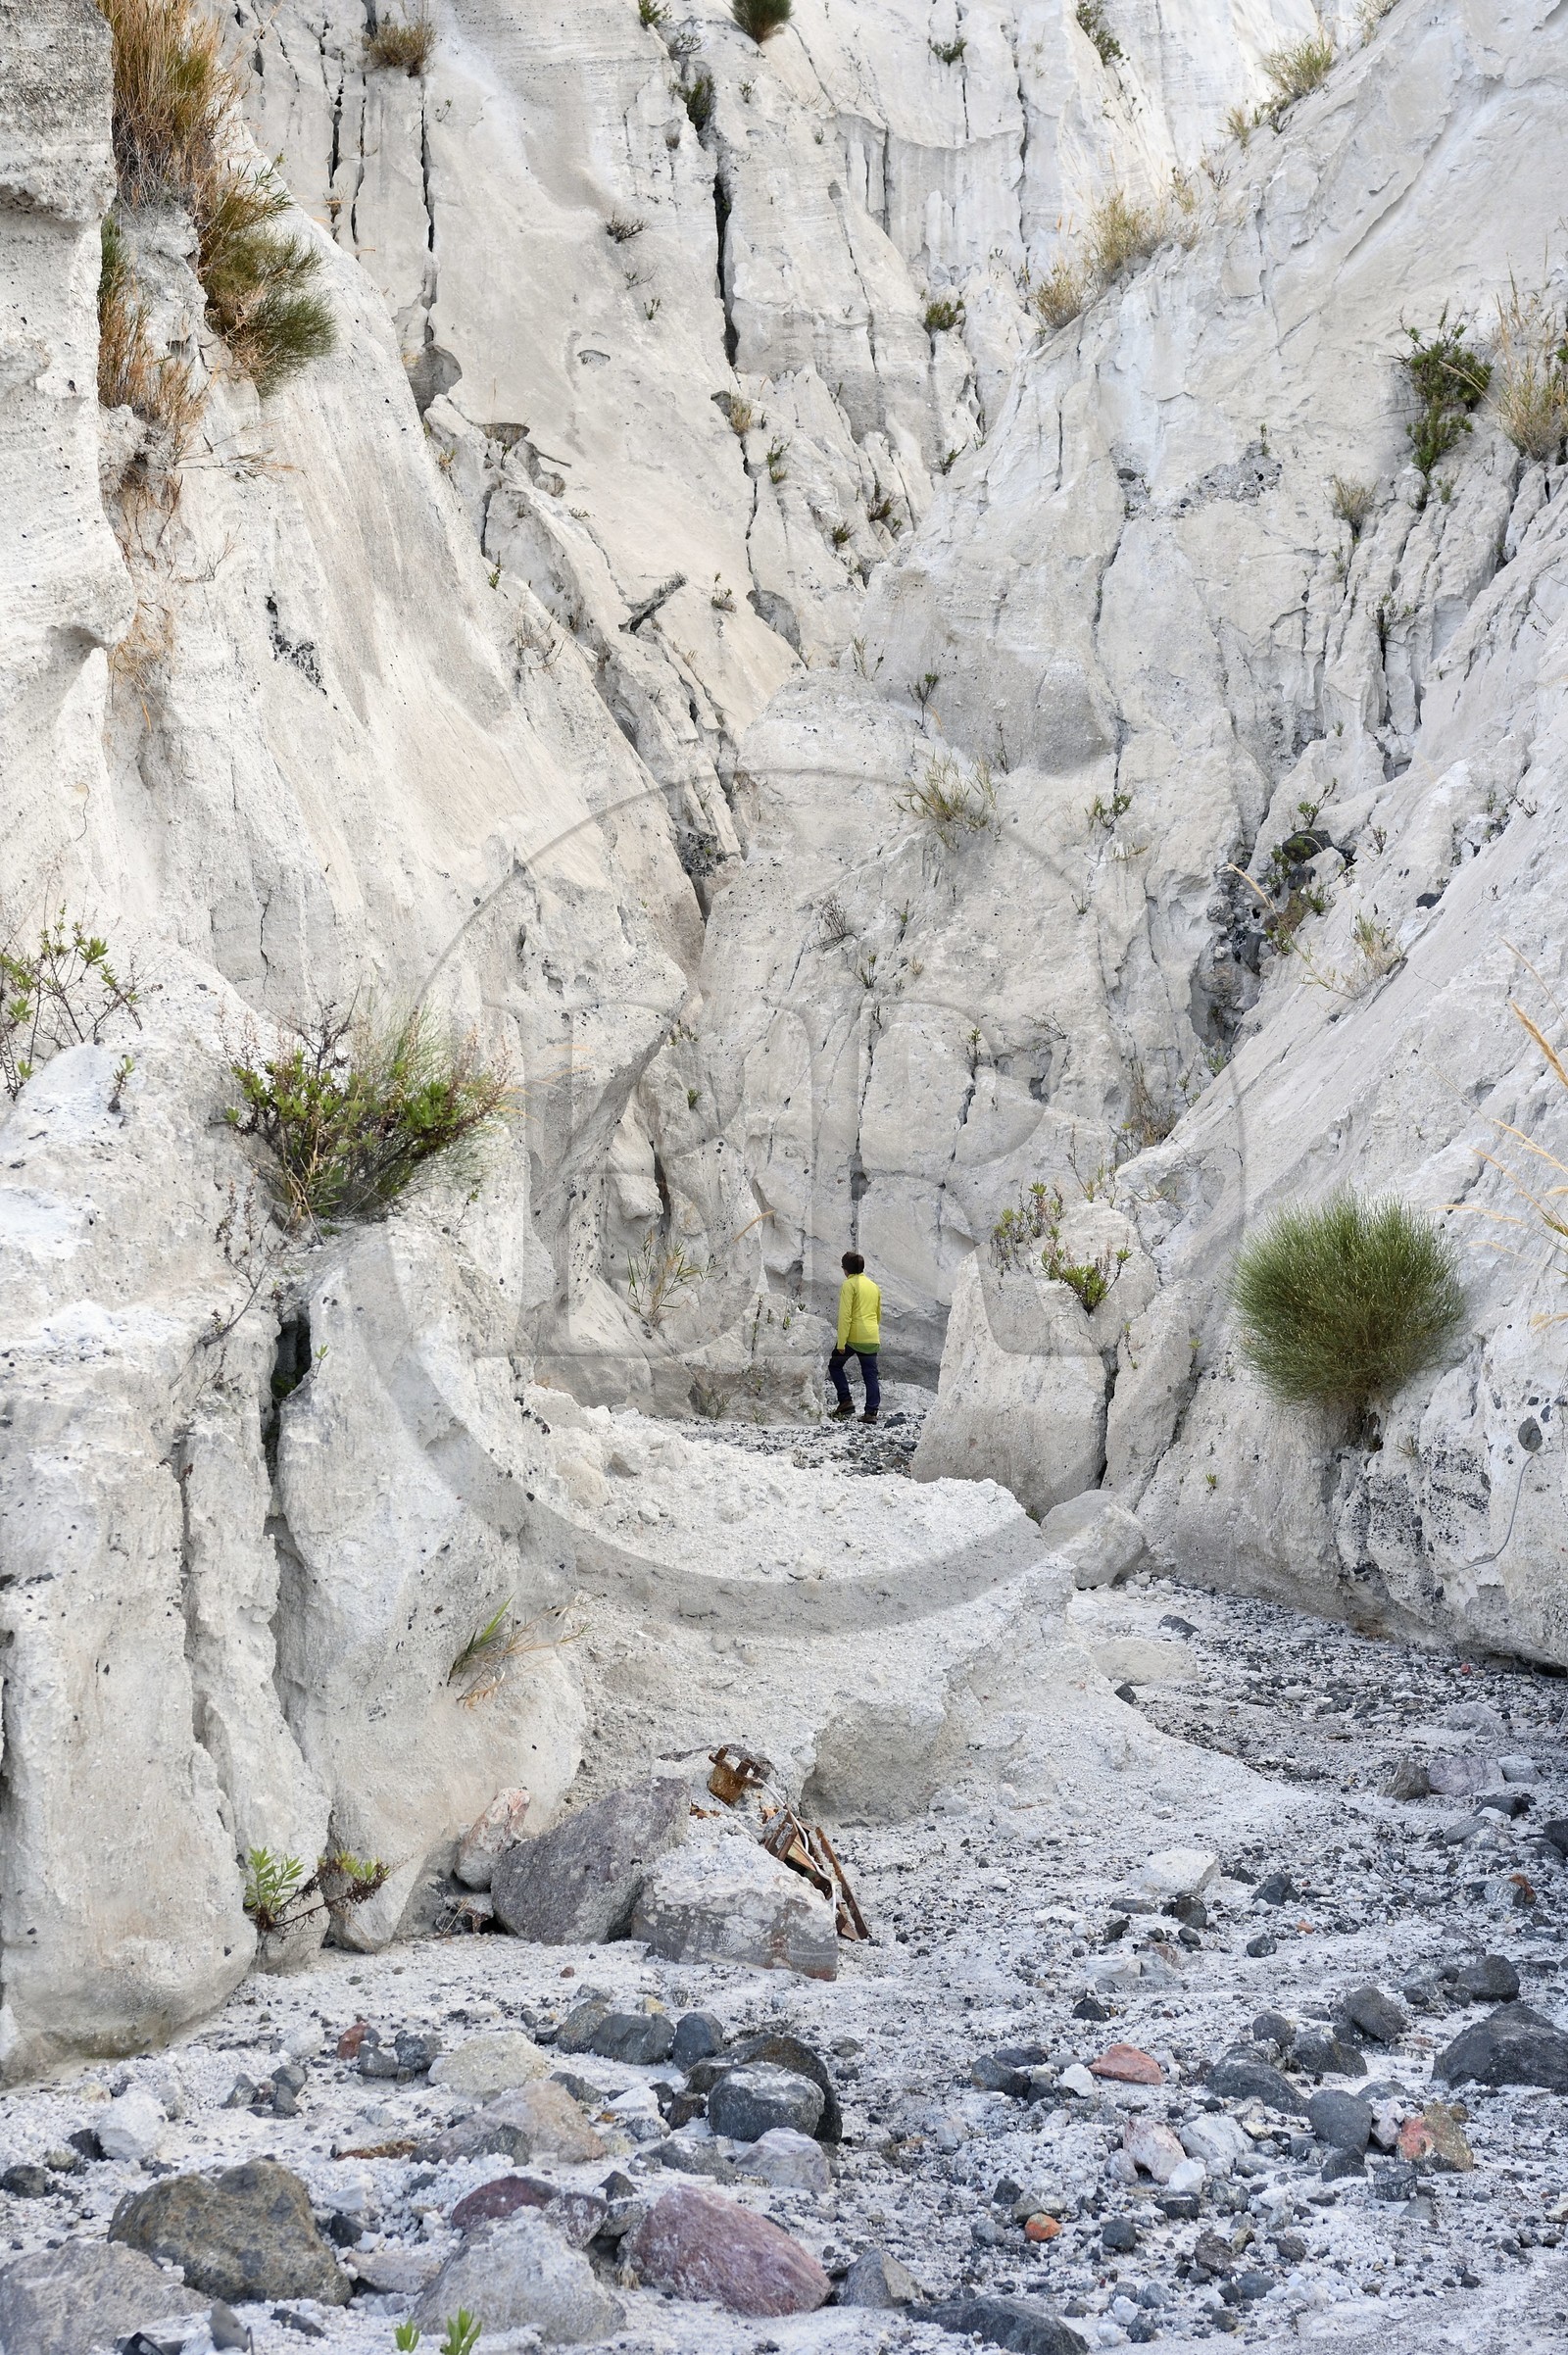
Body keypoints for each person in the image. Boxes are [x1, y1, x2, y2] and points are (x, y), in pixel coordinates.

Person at [829, 1250, 881, 1423]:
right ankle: (871, 1412)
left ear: (846, 1269)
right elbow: (878, 1314)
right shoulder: (873, 1286)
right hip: (872, 1336)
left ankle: (845, 1401)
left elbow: (845, 1316)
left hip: (854, 1336)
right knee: (870, 1374)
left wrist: (841, 1343)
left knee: (835, 1365)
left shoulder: (849, 1285)